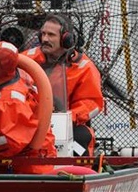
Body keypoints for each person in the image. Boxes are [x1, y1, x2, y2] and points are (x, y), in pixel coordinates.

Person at [23, 14, 104, 156]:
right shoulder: (27, 60)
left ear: (66, 39)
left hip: (68, 125)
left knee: (78, 143)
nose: (45, 39)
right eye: (43, 34)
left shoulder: (84, 67)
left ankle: (78, 172)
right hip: (31, 122)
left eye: (51, 35)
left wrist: (68, 118)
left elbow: (92, 103)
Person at [0, 41, 56, 174]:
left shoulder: (9, 101)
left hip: (29, 166)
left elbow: (11, 141)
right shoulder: (12, 75)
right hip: (25, 157)